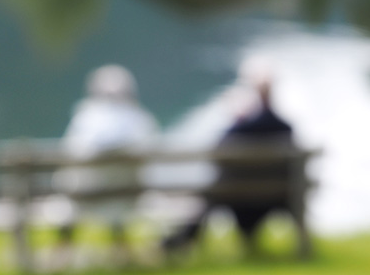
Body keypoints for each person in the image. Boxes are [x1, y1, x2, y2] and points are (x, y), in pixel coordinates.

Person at [162, 55, 295, 254]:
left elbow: (218, 154)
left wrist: (237, 120)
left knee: (209, 195)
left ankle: (183, 239)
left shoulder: (241, 129)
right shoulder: (285, 128)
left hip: (238, 195)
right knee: (212, 192)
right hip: (279, 195)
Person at [55, 64, 159, 263]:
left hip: (86, 195)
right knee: (116, 189)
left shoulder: (86, 118)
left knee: (72, 182)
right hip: (128, 194)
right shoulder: (140, 120)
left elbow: (71, 152)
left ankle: (62, 252)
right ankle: (121, 250)